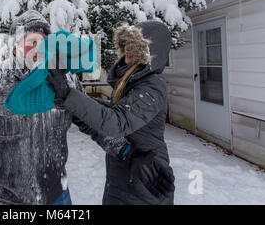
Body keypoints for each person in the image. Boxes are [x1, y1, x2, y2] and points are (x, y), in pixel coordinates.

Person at [0, 13, 173, 205]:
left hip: (57, 197)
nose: (37, 49)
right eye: (30, 42)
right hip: (7, 201)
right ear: (15, 46)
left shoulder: (63, 81)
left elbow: (93, 124)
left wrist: (127, 153)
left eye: (44, 43)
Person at [47, 21, 175, 205]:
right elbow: (106, 114)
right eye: (127, 43)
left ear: (151, 51)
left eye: (136, 44)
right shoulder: (131, 82)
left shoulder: (153, 85)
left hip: (146, 176)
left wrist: (68, 95)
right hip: (124, 173)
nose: (129, 48)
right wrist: (69, 100)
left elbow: (115, 123)